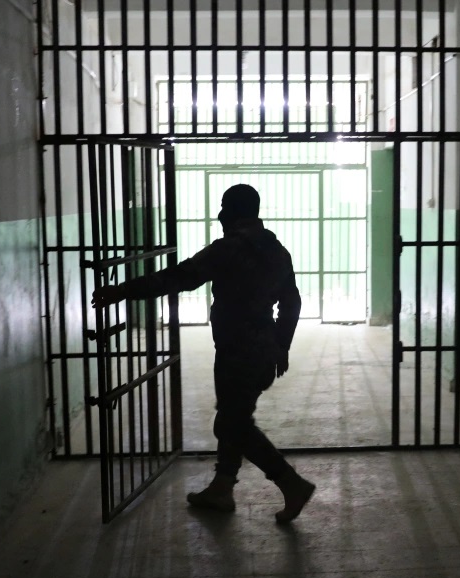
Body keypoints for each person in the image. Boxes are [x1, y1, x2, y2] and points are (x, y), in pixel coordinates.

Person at [91, 183, 316, 524]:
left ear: (235, 211)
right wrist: (281, 344)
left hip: (237, 349)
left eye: (224, 207)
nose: (220, 214)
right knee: (235, 416)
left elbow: (179, 277)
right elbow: (292, 301)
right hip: (262, 348)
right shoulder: (276, 250)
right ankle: (222, 487)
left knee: (231, 423)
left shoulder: (228, 249)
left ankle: (290, 483)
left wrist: (123, 290)